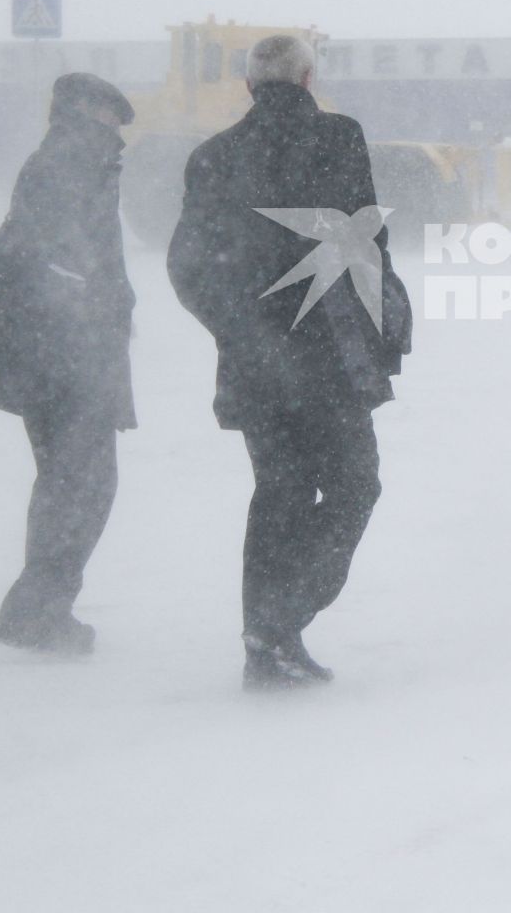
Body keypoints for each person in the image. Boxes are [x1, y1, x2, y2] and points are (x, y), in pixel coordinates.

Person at [166, 35, 411, 691]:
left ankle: (266, 640)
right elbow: (364, 241)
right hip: (330, 356)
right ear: (307, 77)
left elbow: (187, 268)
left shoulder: (210, 157)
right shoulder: (337, 137)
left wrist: (241, 331)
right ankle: (279, 625)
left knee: (280, 492)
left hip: (254, 363)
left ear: (248, 85)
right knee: (354, 486)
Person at [0, 73, 138, 654]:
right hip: (66, 353)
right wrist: (90, 308)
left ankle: (42, 606)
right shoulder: (69, 161)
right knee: (82, 484)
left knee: (70, 481)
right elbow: (51, 256)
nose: (116, 135)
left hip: (61, 350)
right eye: (109, 120)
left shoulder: (67, 159)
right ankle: (36, 611)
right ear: (83, 113)